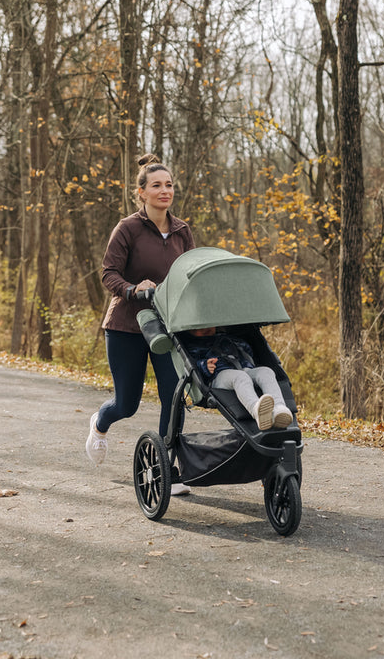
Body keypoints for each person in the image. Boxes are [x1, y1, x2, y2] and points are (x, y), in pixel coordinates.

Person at [85, 154, 195, 494]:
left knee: (172, 397)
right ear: (142, 192)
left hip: (166, 327)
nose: (165, 191)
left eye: (169, 185)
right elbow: (108, 273)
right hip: (126, 327)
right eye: (157, 186)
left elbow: (190, 274)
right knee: (127, 403)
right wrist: (133, 289)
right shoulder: (128, 228)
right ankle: (100, 423)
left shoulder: (181, 231)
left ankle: (166, 471)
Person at [184, 327, 293, 431]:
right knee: (240, 377)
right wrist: (205, 366)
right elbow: (193, 365)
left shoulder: (229, 338)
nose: (204, 329)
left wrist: (238, 349)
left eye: (208, 326)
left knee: (266, 371)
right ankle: (256, 411)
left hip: (243, 369)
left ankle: (279, 408)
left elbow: (247, 350)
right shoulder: (195, 345)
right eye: (197, 329)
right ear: (189, 332)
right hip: (219, 376)